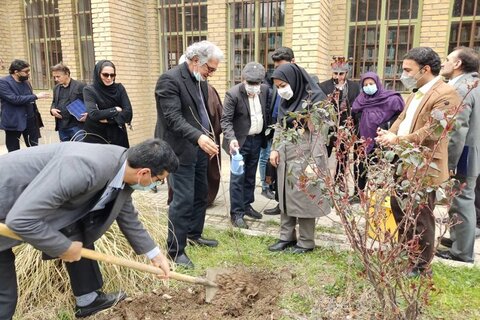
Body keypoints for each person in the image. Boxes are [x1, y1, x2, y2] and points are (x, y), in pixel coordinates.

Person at [0, 138, 178, 319]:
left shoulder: (122, 167)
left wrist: (154, 254)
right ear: (144, 172)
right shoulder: (86, 168)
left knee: (76, 229)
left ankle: (88, 300)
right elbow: (20, 220)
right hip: (5, 203)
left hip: (19, 208)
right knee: (4, 296)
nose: (157, 185)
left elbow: (127, 215)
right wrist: (63, 247)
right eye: (159, 180)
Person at [376, 47, 461, 276]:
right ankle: (406, 255)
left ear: (425, 69)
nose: (403, 74)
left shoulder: (446, 93)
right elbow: (403, 118)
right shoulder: (416, 92)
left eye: (407, 70)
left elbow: (432, 131)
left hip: (424, 164)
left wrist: (398, 139)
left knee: (421, 216)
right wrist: (388, 135)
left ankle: (421, 266)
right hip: (403, 161)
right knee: (399, 209)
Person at [155, 40, 223, 269]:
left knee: (201, 193)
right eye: (209, 69)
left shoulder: (200, 81)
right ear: (196, 61)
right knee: (182, 200)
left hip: (199, 148)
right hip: (179, 149)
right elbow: (173, 119)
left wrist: (207, 137)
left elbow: (201, 113)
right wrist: (198, 137)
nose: (211, 74)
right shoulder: (170, 80)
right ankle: (176, 250)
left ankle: (194, 234)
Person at [268, 63, 331, 254]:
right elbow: (280, 127)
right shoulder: (287, 103)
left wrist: (313, 161)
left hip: (307, 156)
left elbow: (320, 133)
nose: (281, 91)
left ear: (294, 81)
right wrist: (275, 149)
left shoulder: (316, 101)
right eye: (277, 87)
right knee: (286, 197)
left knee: (305, 198)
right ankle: (286, 237)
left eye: (283, 86)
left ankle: (306, 241)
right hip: (285, 157)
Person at [436, 46, 480, 263]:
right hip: (472, 151)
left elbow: (457, 128)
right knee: (461, 199)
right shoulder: (474, 84)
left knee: (462, 201)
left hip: (464, 153)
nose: (444, 63)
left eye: (447, 59)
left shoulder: (463, 87)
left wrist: (449, 161)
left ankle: (461, 252)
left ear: (458, 64)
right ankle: (458, 239)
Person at [221, 62, 270, 229]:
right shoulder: (233, 94)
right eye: (251, 83)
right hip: (238, 143)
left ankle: (247, 205)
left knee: (250, 176)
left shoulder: (264, 92)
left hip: (256, 140)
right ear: (243, 80)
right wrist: (231, 138)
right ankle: (236, 213)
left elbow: (267, 113)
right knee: (237, 178)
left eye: (257, 83)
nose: (254, 87)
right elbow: (225, 120)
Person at [351, 72, 404, 191]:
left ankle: (377, 195)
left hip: (381, 140)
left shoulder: (391, 99)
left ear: (377, 83)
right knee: (359, 167)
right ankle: (357, 193)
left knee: (380, 168)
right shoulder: (360, 100)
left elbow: (400, 116)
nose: (368, 87)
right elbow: (354, 116)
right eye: (365, 84)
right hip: (362, 140)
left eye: (371, 83)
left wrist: (386, 125)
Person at [262, 47, 296, 215]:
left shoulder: (300, 84)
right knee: (274, 168)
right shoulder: (277, 82)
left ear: (292, 63)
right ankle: (279, 201)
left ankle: (289, 205)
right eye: (276, 67)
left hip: (292, 136)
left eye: (282, 65)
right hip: (276, 127)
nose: (279, 70)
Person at [0, 59, 50, 152]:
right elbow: (14, 99)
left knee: (33, 148)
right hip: (14, 121)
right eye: (26, 71)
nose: (28, 73)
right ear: (16, 72)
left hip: (30, 120)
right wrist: (36, 96)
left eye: (29, 71)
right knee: (13, 150)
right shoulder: (3, 82)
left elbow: (30, 100)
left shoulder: (26, 81)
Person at [82, 60, 132, 148]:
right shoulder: (89, 90)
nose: (109, 78)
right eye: (105, 75)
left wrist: (109, 120)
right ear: (98, 74)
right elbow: (94, 114)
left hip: (117, 134)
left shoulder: (119, 88)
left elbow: (128, 114)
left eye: (112, 75)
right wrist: (115, 109)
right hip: (96, 136)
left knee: (118, 160)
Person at [319, 56, 361, 157]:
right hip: (329, 127)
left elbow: (357, 106)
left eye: (341, 74)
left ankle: (339, 173)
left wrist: (353, 127)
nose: (338, 77)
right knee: (323, 156)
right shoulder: (323, 86)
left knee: (343, 157)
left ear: (346, 73)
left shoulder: (354, 87)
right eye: (335, 73)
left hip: (346, 127)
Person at [50, 63, 87, 142]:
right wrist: (52, 109)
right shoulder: (56, 88)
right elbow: (54, 102)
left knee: (80, 149)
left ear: (67, 74)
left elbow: (89, 101)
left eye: (58, 76)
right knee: (65, 151)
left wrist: (88, 113)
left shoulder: (80, 85)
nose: (56, 79)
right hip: (62, 126)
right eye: (54, 77)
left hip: (77, 126)